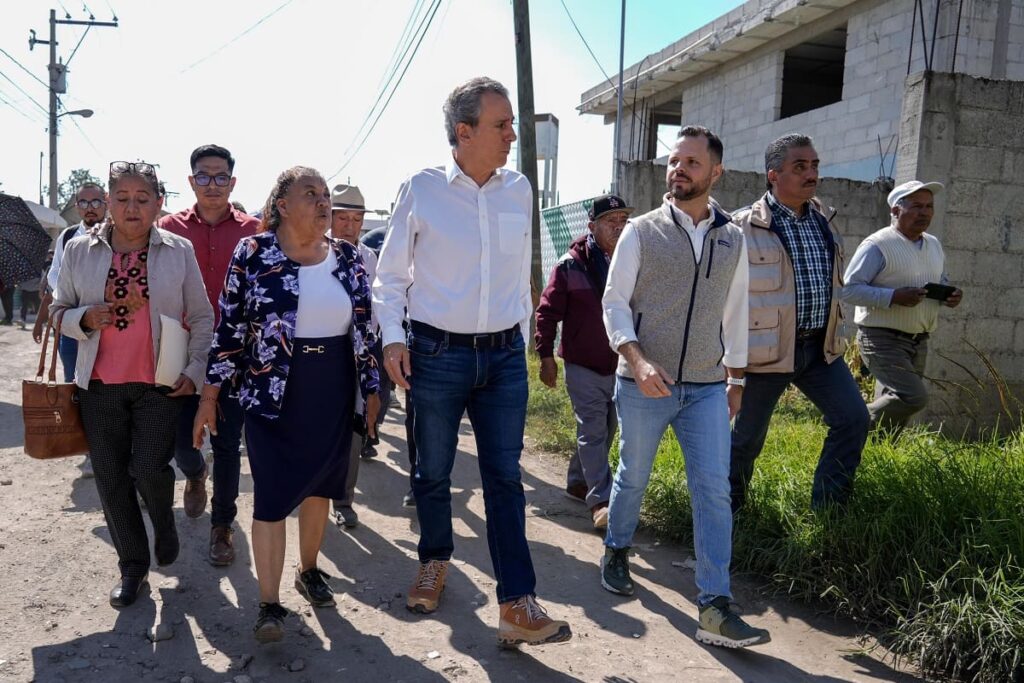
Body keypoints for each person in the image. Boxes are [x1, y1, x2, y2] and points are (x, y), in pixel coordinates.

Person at [374, 76, 572, 647]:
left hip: (504, 357)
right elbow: (390, 278)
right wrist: (393, 340)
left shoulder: (519, 190)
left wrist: (529, 339)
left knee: (505, 479)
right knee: (432, 471)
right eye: (502, 124)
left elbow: (522, 276)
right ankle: (434, 559)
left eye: (511, 124)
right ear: (464, 132)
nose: (513, 135)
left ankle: (516, 602)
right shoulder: (424, 188)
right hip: (436, 354)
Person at [194, 166, 380, 644]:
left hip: (333, 386)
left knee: (320, 485)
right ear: (282, 205)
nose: (323, 203)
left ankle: (310, 568)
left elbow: (365, 327)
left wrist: (372, 389)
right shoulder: (253, 253)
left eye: (325, 196)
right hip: (271, 389)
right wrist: (210, 395)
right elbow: (230, 327)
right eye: (311, 194)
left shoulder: (347, 258)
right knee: (274, 495)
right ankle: (269, 604)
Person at [600, 127, 769, 649]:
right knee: (634, 476)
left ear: (715, 172)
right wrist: (637, 359)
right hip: (643, 383)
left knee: (714, 490)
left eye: (692, 162)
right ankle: (617, 546)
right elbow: (614, 302)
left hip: (704, 387)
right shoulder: (641, 231)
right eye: (674, 161)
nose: (679, 169)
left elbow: (737, 310)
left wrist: (736, 376)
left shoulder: (732, 237)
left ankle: (715, 606)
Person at [50, 161, 214, 608]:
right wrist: (83, 318)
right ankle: (133, 568)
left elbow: (201, 316)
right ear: (108, 202)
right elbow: (57, 310)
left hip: (159, 384)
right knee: (110, 478)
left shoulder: (177, 250)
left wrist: (195, 369)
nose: (132, 208)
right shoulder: (80, 250)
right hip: (98, 386)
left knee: (148, 468)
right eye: (122, 198)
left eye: (143, 199)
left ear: (159, 204)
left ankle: (163, 521)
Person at [729, 134, 869, 513]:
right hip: (765, 352)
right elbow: (725, 299)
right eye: (800, 167)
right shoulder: (741, 227)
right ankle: (727, 514)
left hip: (820, 349)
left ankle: (829, 511)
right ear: (773, 175)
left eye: (815, 165)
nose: (811, 174)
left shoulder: (824, 220)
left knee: (853, 420)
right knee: (745, 440)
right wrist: (732, 366)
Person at [159, 144, 259, 566]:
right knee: (184, 440)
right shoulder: (167, 228)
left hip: (237, 350)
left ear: (232, 182)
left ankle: (222, 527)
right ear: (191, 182)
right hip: (181, 348)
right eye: (204, 176)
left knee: (228, 443)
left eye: (221, 177)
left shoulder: (255, 229)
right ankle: (195, 475)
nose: (212, 185)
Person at [535, 193, 631, 530]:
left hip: (620, 363)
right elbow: (546, 313)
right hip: (582, 364)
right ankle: (602, 502)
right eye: (611, 222)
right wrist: (545, 355)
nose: (619, 228)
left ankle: (578, 481)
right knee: (593, 430)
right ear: (592, 226)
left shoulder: (632, 258)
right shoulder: (570, 264)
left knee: (607, 428)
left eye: (623, 221)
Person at [841, 180, 961, 431]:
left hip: (918, 339)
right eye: (916, 206)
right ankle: (848, 421)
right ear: (895, 210)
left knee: (897, 413)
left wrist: (949, 294)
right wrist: (894, 296)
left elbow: (940, 280)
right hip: (882, 338)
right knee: (912, 397)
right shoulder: (877, 245)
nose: (925, 212)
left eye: (929, 206)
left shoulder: (933, 244)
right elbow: (849, 290)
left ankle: (871, 455)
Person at [328, 183, 392, 529]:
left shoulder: (369, 259)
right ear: (329, 217)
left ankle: (343, 500)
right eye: (342, 218)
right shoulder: (312, 252)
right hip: (318, 354)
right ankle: (310, 496)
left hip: (358, 354)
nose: (349, 226)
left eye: (356, 219)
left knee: (353, 427)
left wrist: (372, 347)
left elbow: (379, 306)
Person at [48, 183, 108, 381]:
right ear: (77, 205)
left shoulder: (119, 234)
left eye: (95, 201)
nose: (90, 207)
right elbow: (54, 273)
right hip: (73, 324)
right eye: (83, 202)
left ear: (106, 202)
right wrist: (69, 298)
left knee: (105, 385)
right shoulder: (67, 237)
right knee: (72, 385)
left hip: (108, 324)